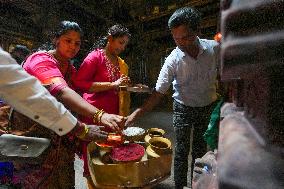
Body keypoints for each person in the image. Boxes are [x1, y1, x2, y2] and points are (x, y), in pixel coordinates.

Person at [7, 21, 123, 188]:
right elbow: (62, 91)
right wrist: (100, 114)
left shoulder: (69, 68)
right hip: (33, 133)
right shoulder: (40, 60)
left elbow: (82, 89)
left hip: (58, 134)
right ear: (56, 40)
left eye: (77, 43)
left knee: (64, 179)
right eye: (68, 41)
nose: (73, 46)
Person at [125, 7, 219, 189]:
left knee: (200, 151)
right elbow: (158, 93)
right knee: (182, 151)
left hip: (208, 105)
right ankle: (179, 186)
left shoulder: (214, 49)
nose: (181, 43)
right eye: (176, 39)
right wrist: (136, 114)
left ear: (198, 31)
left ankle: (195, 184)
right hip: (182, 107)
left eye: (185, 37)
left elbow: (226, 75)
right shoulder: (173, 59)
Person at [73, 24, 131, 182]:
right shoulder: (95, 57)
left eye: (125, 43)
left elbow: (118, 86)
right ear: (110, 39)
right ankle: (92, 179)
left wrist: (124, 85)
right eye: (120, 42)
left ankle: (107, 177)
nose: (122, 47)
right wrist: (114, 84)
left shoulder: (121, 63)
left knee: (110, 148)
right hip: (93, 113)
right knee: (93, 151)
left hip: (112, 114)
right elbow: (80, 83)